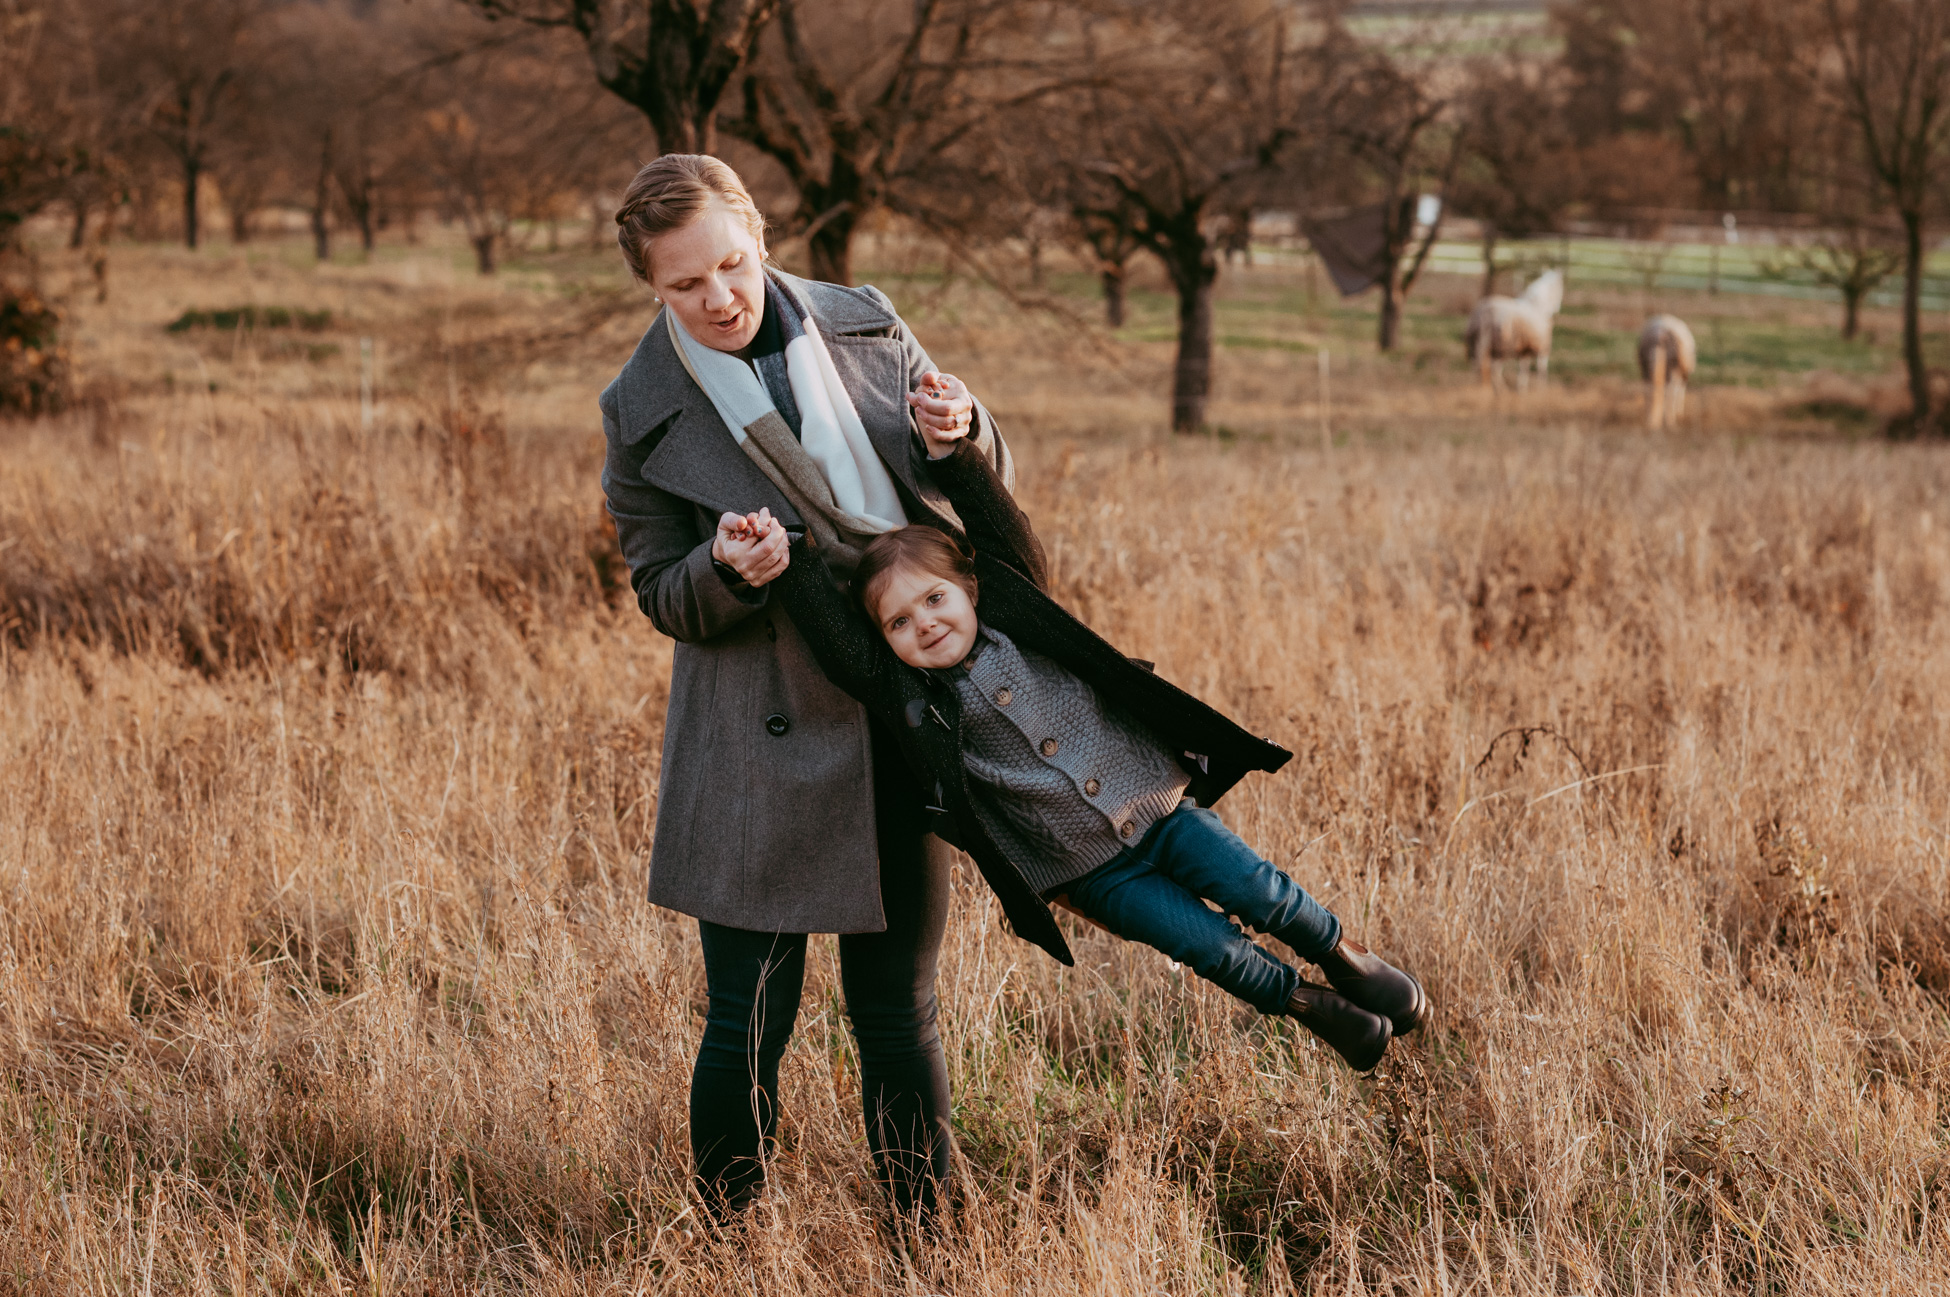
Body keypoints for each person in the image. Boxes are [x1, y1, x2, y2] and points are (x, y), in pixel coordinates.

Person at [713, 426, 1430, 1073]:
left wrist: (954, 452)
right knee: (1208, 947)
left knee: (1260, 891)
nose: (924, 624)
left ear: (968, 588)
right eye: (899, 621)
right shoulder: (909, 698)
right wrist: (793, 561)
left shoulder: (1021, 621)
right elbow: (842, 653)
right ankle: (1308, 1003)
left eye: (935, 599)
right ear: (887, 642)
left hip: (1158, 809)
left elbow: (1004, 533)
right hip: (1090, 875)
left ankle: (1341, 953)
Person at [597, 154, 1013, 1224]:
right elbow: (660, 592)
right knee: (747, 1018)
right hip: (756, 740)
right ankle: (726, 1243)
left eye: (731, 266)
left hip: (900, 716)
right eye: (685, 285)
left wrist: (963, 432)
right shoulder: (639, 409)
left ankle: (934, 1239)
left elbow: (980, 470)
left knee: (899, 1013)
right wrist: (726, 571)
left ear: (762, 236)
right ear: (651, 285)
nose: (719, 298)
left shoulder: (866, 321)